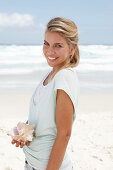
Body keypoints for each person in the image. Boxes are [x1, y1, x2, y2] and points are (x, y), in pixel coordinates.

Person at [11, 17, 80, 170]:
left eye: (58, 45)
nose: (49, 51)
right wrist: (25, 133)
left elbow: (64, 134)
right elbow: (45, 121)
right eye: (46, 43)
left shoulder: (64, 76)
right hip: (31, 164)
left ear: (72, 48)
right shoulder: (49, 75)